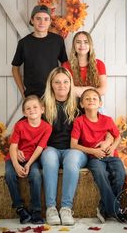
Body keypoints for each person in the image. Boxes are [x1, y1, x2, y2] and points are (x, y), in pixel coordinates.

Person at [71, 88, 127, 224]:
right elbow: (73, 145)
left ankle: (104, 207)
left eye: (94, 98)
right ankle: (116, 210)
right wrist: (93, 151)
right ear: (81, 104)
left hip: (111, 155)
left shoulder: (107, 120)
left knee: (120, 175)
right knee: (101, 176)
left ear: (100, 103)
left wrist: (113, 147)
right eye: (87, 98)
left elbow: (118, 136)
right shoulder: (79, 121)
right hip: (94, 158)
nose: (91, 100)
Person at [40, 67, 88, 226]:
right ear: (51, 84)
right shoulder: (43, 105)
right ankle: (51, 208)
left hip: (75, 149)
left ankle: (66, 208)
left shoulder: (80, 104)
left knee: (71, 160)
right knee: (48, 158)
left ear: (70, 83)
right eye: (57, 82)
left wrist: (109, 138)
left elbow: (99, 120)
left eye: (66, 81)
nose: (62, 85)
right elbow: (25, 124)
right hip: (51, 148)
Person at [5, 95, 52, 225]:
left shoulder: (47, 127)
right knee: (9, 175)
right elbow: (13, 146)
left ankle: (36, 211)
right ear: (24, 113)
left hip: (32, 158)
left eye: (35, 107)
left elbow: (40, 148)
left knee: (36, 175)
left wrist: (29, 164)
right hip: (14, 157)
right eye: (28, 108)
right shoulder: (20, 125)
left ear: (42, 109)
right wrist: (15, 165)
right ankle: (20, 208)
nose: (32, 110)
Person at [12, 5, 68, 98]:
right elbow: (15, 68)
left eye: (46, 19)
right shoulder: (24, 43)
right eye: (38, 18)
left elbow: (65, 65)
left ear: (50, 21)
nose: (42, 22)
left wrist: (63, 88)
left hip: (54, 92)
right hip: (32, 94)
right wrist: (23, 92)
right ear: (32, 20)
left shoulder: (58, 40)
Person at [62, 31, 107, 98]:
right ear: (74, 45)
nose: (82, 45)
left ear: (90, 45)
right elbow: (66, 89)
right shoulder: (66, 66)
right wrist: (92, 89)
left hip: (93, 105)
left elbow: (103, 90)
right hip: (72, 104)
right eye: (78, 42)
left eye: (86, 42)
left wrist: (77, 89)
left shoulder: (99, 64)